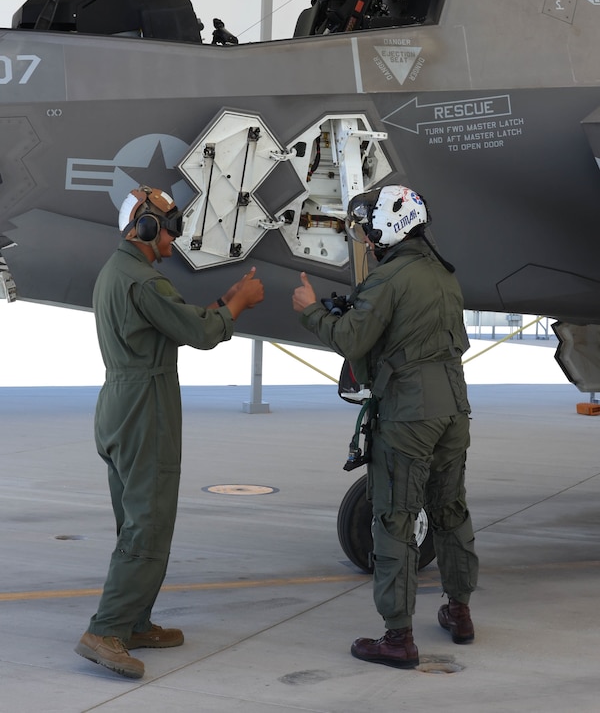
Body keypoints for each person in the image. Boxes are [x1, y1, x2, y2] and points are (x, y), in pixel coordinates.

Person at [75, 185, 264, 679]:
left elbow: (183, 319)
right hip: (145, 410)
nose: (175, 237)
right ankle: (107, 630)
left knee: (133, 519)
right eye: (170, 227)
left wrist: (223, 301)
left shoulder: (118, 272)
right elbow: (200, 333)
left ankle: (135, 621)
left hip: (119, 403)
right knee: (148, 524)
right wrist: (239, 303)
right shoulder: (143, 282)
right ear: (145, 227)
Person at [292, 184, 478, 669]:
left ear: (389, 227)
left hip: (410, 414)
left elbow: (353, 338)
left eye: (369, 228)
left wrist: (311, 311)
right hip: (454, 409)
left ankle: (398, 638)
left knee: (395, 517)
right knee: (450, 508)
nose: (367, 239)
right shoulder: (444, 275)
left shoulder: (389, 279)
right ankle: (460, 611)